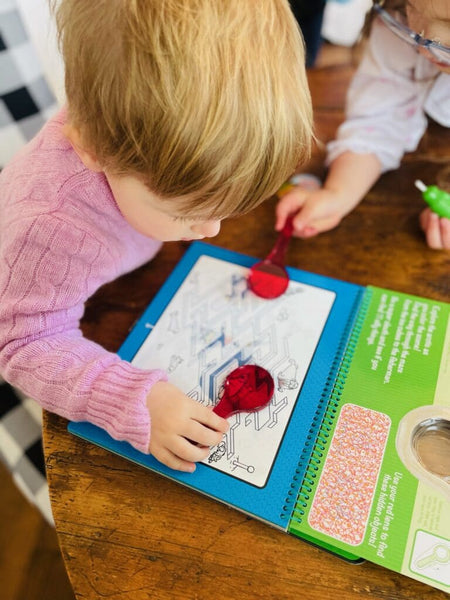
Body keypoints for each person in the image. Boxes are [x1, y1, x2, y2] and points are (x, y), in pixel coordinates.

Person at [0, 0, 313, 479]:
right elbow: (22, 344)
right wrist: (136, 399)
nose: (213, 230)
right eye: (188, 212)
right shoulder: (48, 225)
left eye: (226, 208)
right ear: (93, 149)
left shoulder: (133, 134)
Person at [276, 0, 450, 249]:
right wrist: (339, 193)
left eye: (445, 46)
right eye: (412, 20)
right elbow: (378, 122)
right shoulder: (403, 17)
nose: (422, 51)